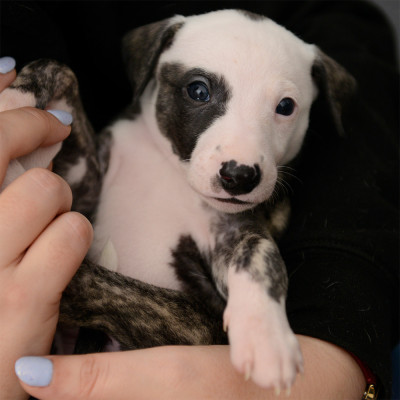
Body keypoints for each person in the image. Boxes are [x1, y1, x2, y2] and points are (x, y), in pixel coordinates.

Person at [0, 1, 398, 399]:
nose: (241, 163)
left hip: (176, 355)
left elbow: (246, 249)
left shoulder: (232, 210)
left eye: (283, 107)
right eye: (199, 91)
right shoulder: (123, 140)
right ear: (153, 65)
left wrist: (272, 318)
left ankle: (72, 287)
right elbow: (77, 180)